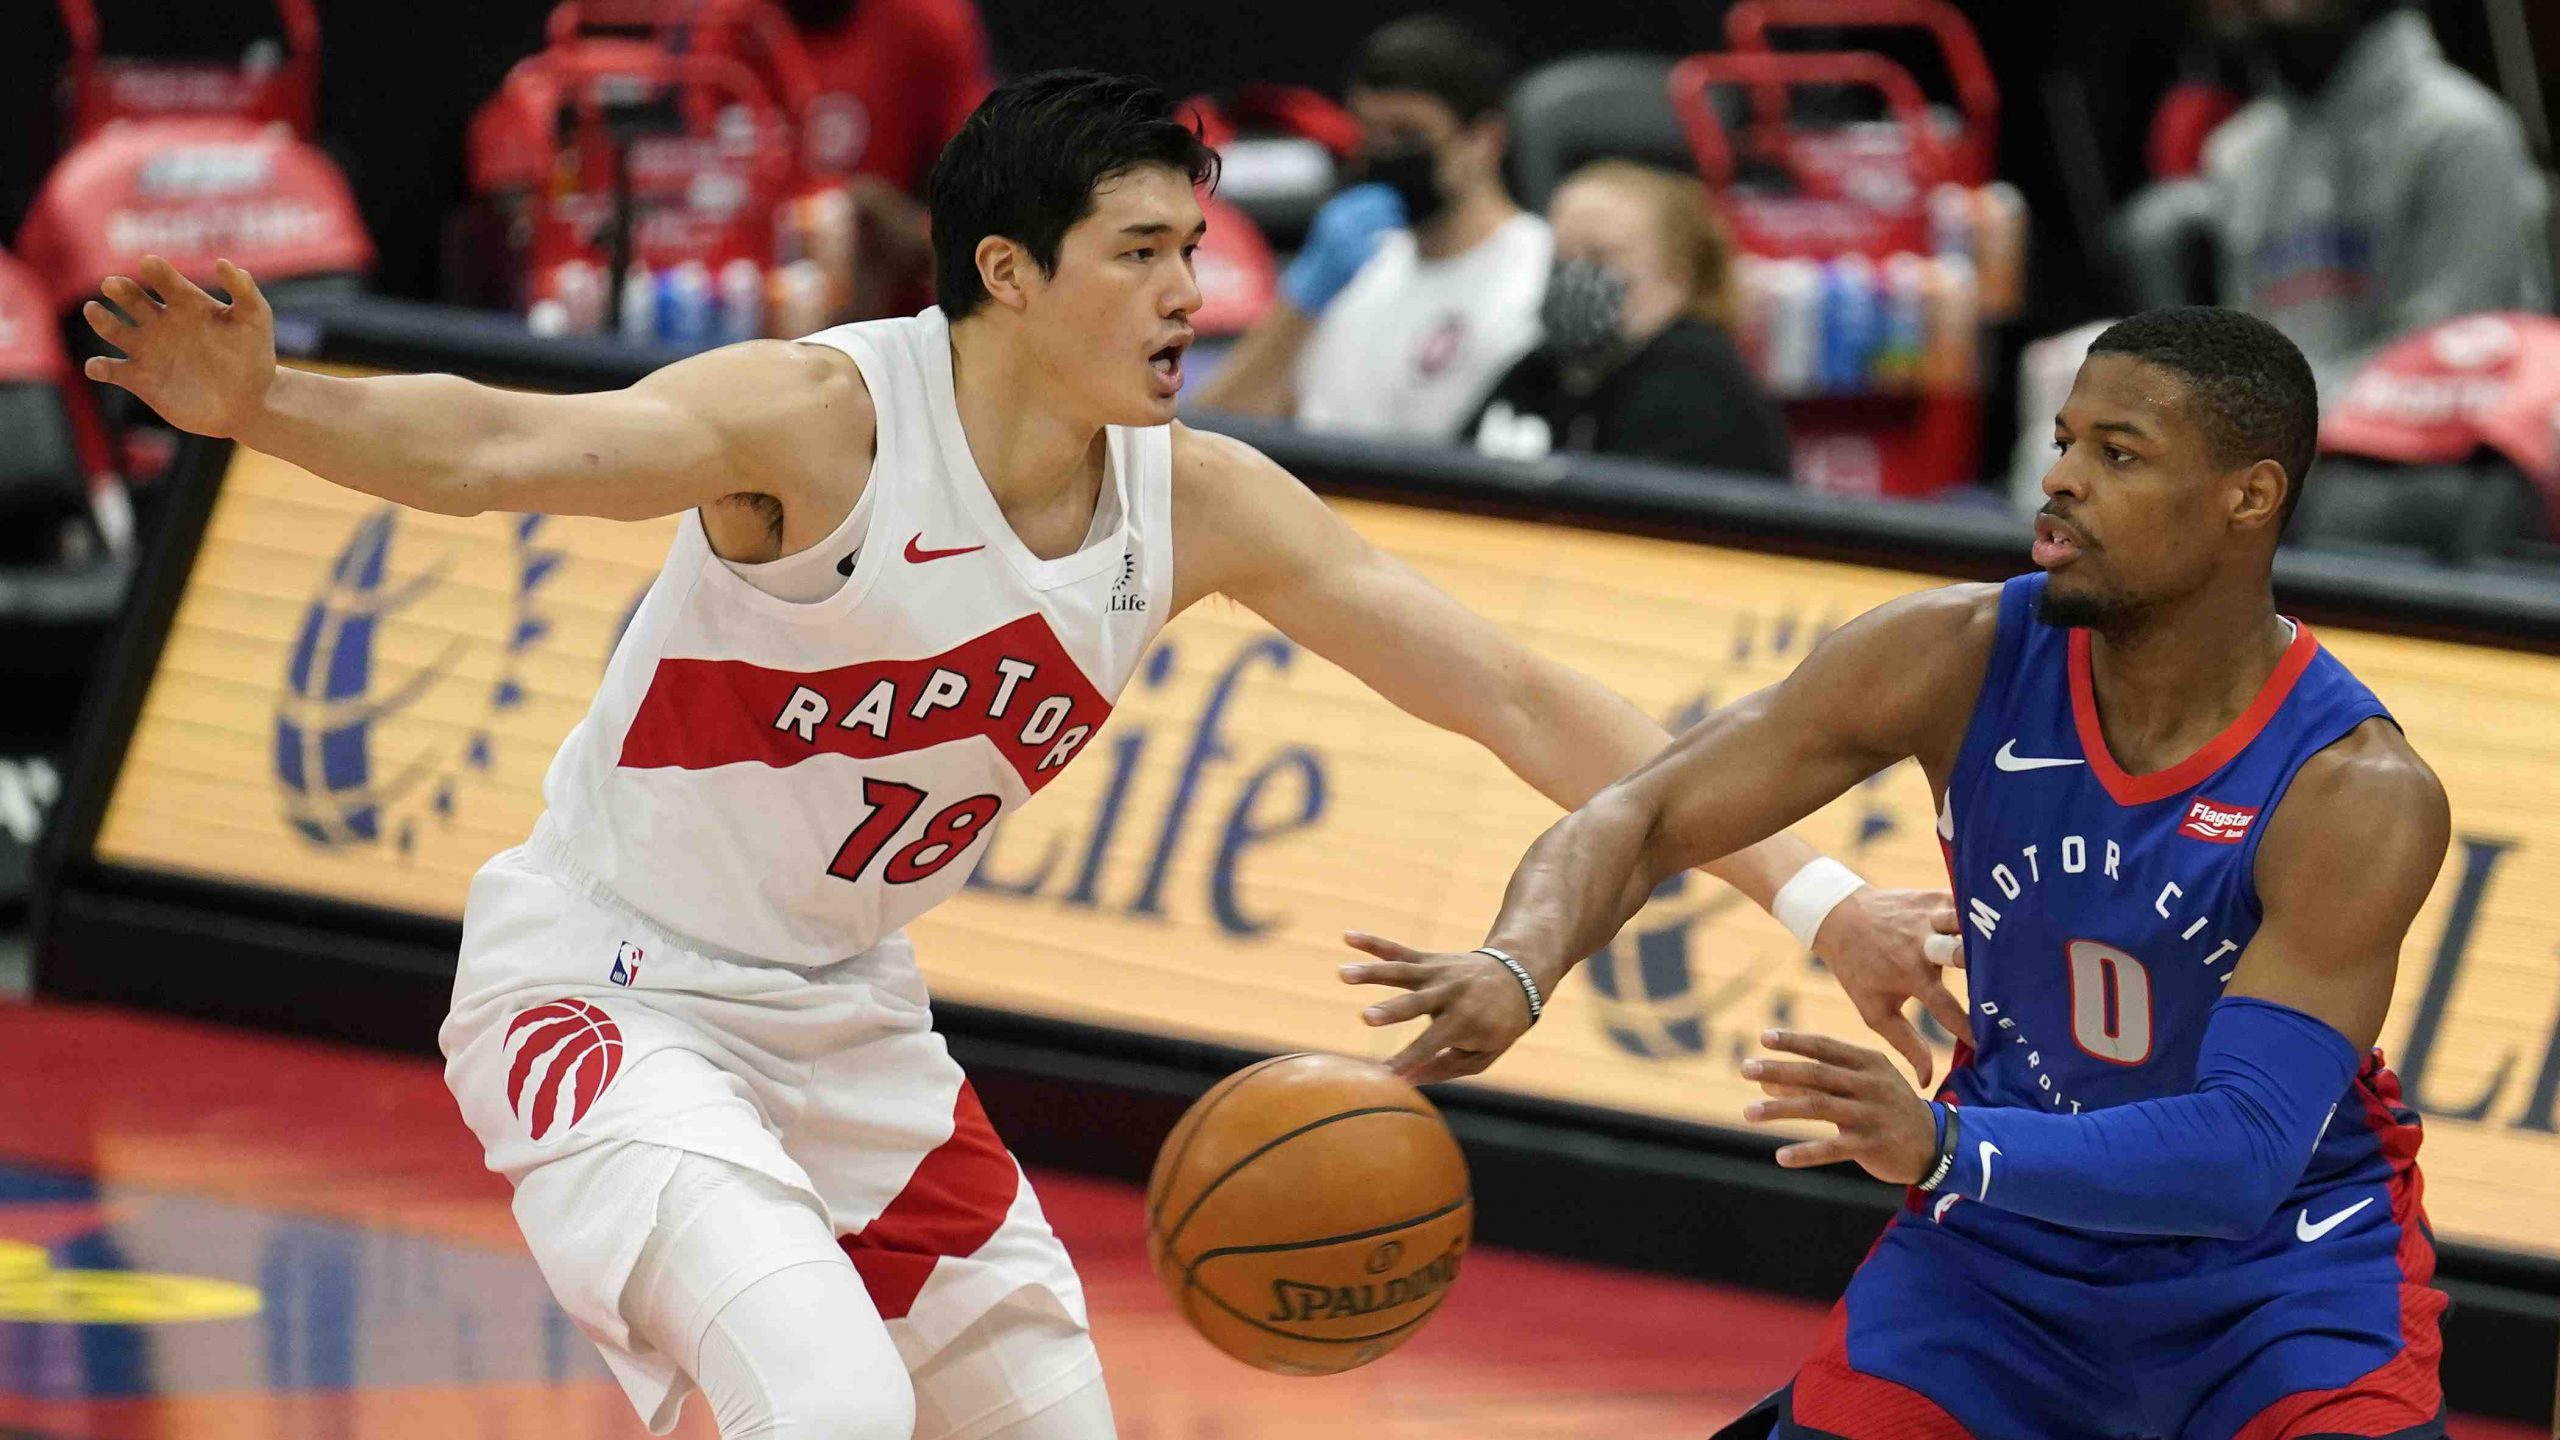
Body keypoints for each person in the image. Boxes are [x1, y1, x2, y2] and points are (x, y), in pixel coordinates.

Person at [82, 71, 1955, 1440]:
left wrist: (1817, 892)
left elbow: (1523, 697)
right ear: (1005, 270)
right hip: (612, 989)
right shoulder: (814, 423)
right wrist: (270, 407)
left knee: (1048, 1423)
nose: (1186, 294)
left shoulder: (1197, 501)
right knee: (820, 1403)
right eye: (1139, 253)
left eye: (1194, 250)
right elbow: (500, 450)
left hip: (849, 1028)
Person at [1347, 307, 2456, 1438]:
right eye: (2064, 440)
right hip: (1998, 1255)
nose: (2059, 478)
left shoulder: (2351, 789)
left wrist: (1941, 1145)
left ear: (2249, 497)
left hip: (2280, 1274)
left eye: (2116, 455)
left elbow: (2240, 1156)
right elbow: (1643, 808)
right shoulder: (1954, 654)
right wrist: (1518, 959)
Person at [2117, 0, 2550, 399]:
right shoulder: (2242, 154)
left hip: (2435, 444)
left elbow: (2459, 358)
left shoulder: (2460, 132)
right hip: (2288, 448)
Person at [1194, 13, 1551, 441]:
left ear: (1485, 139)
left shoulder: (1538, 276)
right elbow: (1210, 437)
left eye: (1407, 134)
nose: (1385, 153)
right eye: (1371, 134)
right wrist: (1299, 304)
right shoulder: (1353, 264)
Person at [1469, 160, 1790, 476]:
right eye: (1562, 257)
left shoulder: (1697, 385)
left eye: (1600, 257)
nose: (1576, 276)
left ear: (1678, 276)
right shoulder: (1542, 372)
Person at [778, 0, 998, 319]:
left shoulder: (928, 20)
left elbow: (989, 197)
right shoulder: (721, 29)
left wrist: (918, 235)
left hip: (900, 304)